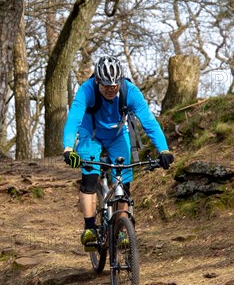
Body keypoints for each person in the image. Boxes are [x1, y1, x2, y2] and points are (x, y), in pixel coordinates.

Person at [62, 56, 174, 250]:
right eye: (106, 85)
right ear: (97, 80)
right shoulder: (86, 90)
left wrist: (163, 149)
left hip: (117, 136)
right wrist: (68, 149)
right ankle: (90, 228)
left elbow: (148, 121)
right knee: (90, 177)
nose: (111, 89)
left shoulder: (130, 92)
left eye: (114, 85)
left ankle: (122, 230)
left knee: (123, 181)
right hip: (91, 135)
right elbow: (74, 119)